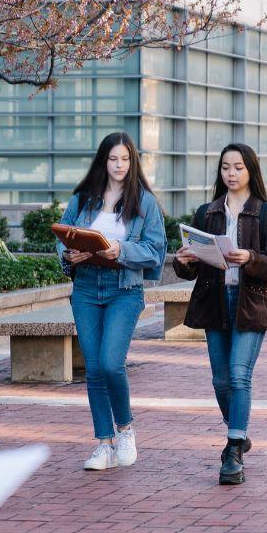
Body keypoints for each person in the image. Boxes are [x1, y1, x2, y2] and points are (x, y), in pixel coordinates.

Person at [174, 143, 267, 485]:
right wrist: (184, 261)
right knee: (221, 381)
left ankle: (234, 449)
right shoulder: (207, 213)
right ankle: (238, 429)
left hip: (250, 302)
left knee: (239, 375)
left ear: (251, 170)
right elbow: (191, 271)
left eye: (238, 167)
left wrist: (250, 259)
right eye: (226, 167)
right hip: (215, 302)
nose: (231, 173)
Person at [55, 132, 166, 471]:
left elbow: (156, 250)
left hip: (124, 289)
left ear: (133, 162)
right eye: (113, 159)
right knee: (93, 369)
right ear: (103, 161)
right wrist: (68, 255)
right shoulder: (83, 198)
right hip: (87, 287)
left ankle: (126, 429)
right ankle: (104, 444)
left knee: (110, 363)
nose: (119, 165)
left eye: (125, 159)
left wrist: (122, 249)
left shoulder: (144, 202)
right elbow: (62, 235)